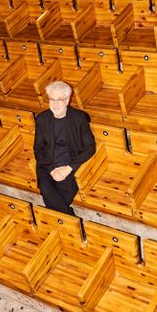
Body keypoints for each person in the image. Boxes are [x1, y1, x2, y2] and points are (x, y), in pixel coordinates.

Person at [34, 80, 96, 215]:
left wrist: (68, 169)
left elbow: (90, 147)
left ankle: (67, 220)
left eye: (59, 100)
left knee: (57, 199)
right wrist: (52, 170)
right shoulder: (42, 119)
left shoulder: (79, 118)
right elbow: (38, 149)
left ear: (67, 100)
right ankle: (70, 218)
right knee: (47, 189)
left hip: (70, 166)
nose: (55, 104)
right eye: (52, 99)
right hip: (47, 166)